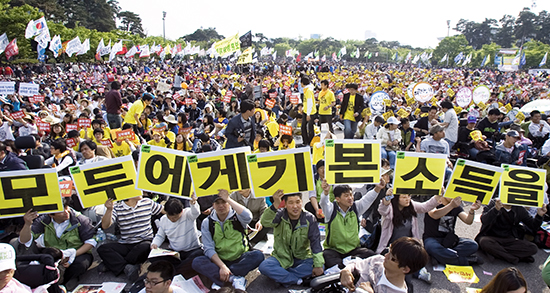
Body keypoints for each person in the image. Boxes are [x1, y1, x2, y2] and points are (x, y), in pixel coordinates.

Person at [192, 189, 264, 290]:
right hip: (219, 259)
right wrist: (222, 266)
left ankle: (220, 279)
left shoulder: (237, 216)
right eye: (217, 203)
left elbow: (248, 216)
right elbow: (208, 248)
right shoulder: (207, 222)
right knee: (197, 261)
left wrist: (228, 199)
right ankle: (234, 278)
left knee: (258, 256)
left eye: (224, 202)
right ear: (213, 205)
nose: (221, 206)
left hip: (239, 257)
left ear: (229, 203)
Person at [17, 198, 96, 286]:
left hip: (76, 253)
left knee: (81, 264)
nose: (66, 212)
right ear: (51, 215)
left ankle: (64, 281)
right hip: (53, 253)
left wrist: (72, 254)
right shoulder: (44, 220)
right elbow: (24, 240)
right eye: (61, 211)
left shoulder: (80, 219)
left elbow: (90, 242)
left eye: (66, 208)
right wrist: (27, 224)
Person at [258, 190, 324, 287]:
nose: (295, 206)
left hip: (302, 257)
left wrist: (318, 265)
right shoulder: (279, 214)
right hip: (281, 257)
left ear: (302, 202)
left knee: (321, 265)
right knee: (264, 267)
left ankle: (282, 277)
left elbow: (316, 243)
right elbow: (265, 222)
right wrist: (275, 204)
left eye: (298, 202)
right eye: (291, 203)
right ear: (285, 204)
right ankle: (297, 280)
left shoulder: (309, 218)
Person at [98, 195, 163, 281]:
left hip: (144, 242)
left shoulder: (147, 202)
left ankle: (113, 264)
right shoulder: (117, 207)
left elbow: (166, 210)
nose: (141, 192)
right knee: (102, 249)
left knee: (144, 247)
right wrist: (109, 209)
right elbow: (105, 226)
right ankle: (127, 267)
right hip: (126, 244)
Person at [320, 181, 380, 269]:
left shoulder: (356, 208)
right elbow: (324, 203)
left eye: (351, 195)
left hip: (353, 249)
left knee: (370, 255)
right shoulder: (331, 210)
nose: (350, 198)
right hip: (334, 250)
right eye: (346, 195)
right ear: (338, 199)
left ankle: (349, 267)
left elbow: (367, 199)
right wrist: (325, 192)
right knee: (327, 257)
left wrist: (377, 188)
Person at [340, 237, 429, 293]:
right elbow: (356, 264)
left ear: (405, 269)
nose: (385, 256)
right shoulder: (378, 260)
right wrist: (346, 270)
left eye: (392, 258)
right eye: (388, 251)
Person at [475, 198, 546, 264]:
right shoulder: (494, 203)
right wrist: (495, 209)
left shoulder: (519, 209)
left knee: (533, 248)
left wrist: (539, 216)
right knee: (484, 242)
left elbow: (533, 226)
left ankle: (497, 253)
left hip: (509, 240)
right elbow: (484, 220)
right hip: (491, 238)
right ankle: (513, 258)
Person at [423, 196, 482, 265]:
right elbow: (434, 215)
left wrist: (472, 210)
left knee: (473, 245)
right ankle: (465, 260)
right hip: (433, 239)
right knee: (432, 247)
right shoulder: (434, 202)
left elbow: (468, 221)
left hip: (450, 240)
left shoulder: (455, 206)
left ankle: (440, 257)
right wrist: (451, 205)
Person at [150, 197, 203, 273]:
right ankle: (180, 268)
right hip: (175, 253)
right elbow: (160, 235)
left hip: (192, 250)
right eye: (170, 217)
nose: (173, 219)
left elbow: (196, 213)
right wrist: (155, 244)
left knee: (198, 256)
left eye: (175, 217)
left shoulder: (187, 214)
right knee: (154, 258)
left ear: (181, 211)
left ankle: (175, 270)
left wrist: (193, 203)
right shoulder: (164, 220)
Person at [301, 76, 317, 145]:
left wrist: (308, 114)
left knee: (310, 128)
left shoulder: (308, 90)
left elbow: (310, 102)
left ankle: (310, 142)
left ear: (302, 83)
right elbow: (306, 102)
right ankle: (306, 141)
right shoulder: (306, 89)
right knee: (304, 127)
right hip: (306, 111)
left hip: (310, 112)